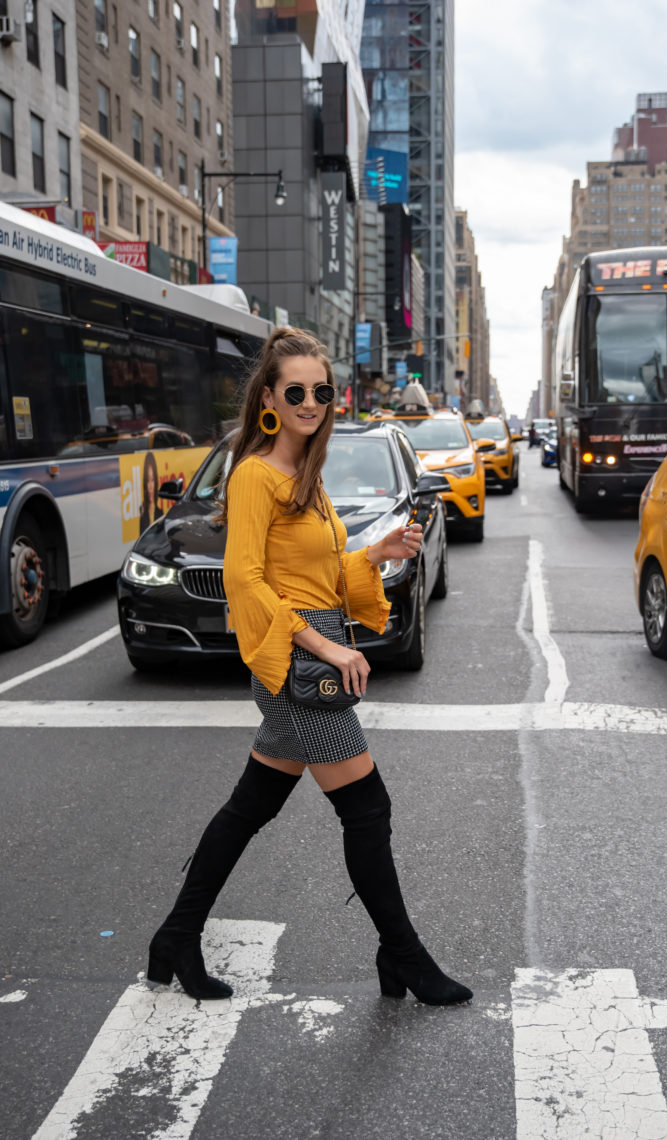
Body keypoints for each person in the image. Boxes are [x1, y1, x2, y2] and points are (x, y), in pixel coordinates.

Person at [146, 327, 472, 1006]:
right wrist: (322, 645)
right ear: (267, 396)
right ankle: (403, 956)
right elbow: (247, 579)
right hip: (294, 657)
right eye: (294, 390)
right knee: (366, 807)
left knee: (250, 806)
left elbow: (321, 569)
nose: (309, 402)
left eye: (320, 390)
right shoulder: (256, 473)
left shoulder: (307, 477)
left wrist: (374, 552)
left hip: (306, 651)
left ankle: (175, 936)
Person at [139, 451, 164, 533]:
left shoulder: (161, 513)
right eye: (147, 480)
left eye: (152, 480)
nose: (150, 486)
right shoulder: (142, 515)